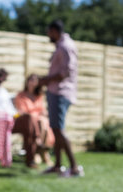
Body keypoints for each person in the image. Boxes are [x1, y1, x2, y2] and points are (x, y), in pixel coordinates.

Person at [39, 20, 83, 177]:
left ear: (54, 31)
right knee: (56, 130)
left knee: (58, 130)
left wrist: (45, 80)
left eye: (49, 32)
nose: (48, 35)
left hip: (60, 93)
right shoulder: (61, 46)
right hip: (56, 92)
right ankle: (57, 165)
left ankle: (74, 167)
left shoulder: (66, 47)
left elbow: (65, 73)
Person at [14, 74, 54, 165]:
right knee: (40, 121)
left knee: (43, 121)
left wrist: (42, 113)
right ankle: (41, 151)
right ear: (27, 82)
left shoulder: (39, 96)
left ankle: (38, 150)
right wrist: (37, 114)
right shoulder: (21, 95)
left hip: (39, 120)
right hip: (26, 121)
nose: (33, 82)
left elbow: (42, 109)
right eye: (31, 80)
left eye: (35, 80)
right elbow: (22, 111)